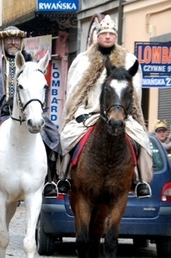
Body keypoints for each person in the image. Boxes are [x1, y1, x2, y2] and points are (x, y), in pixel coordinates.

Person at [57, 15, 152, 198]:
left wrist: (128, 114)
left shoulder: (128, 60)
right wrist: (78, 113)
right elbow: (75, 92)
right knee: (67, 138)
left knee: (142, 139)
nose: (107, 37)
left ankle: (141, 181)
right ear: (97, 36)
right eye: (104, 33)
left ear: (115, 37)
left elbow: (135, 93)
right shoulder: (83, 61)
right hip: (88, 112)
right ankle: (64, 177)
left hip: (121, 113)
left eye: (111, 34)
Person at [0, 26, 61, 198]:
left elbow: (39, 90)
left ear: (21, 42)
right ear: (3, 42)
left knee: (52, 134)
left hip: (28, 114)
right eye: (9, 39)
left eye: (16, 39)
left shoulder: (32, 64)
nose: (13, 42)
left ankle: (50, 181)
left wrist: (36, 109)